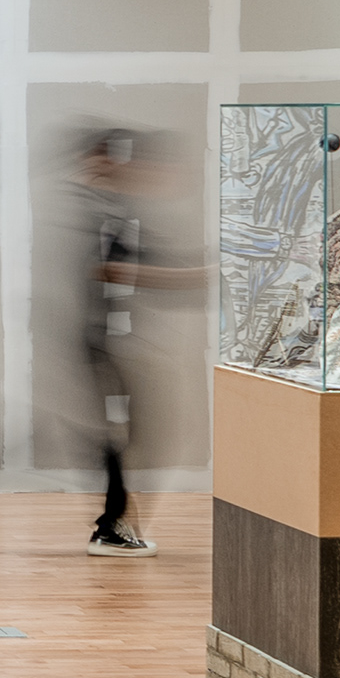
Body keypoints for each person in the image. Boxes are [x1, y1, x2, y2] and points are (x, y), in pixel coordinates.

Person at [74, 126, 202, 555]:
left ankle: (115, 526)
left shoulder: (116, 209)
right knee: (132, 437)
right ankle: (112, 528)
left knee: (132, 437)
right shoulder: (100, 211)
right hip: (108, 344)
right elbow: (111, 271)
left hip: (114, 342)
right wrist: (197, 275)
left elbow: (138, 263)